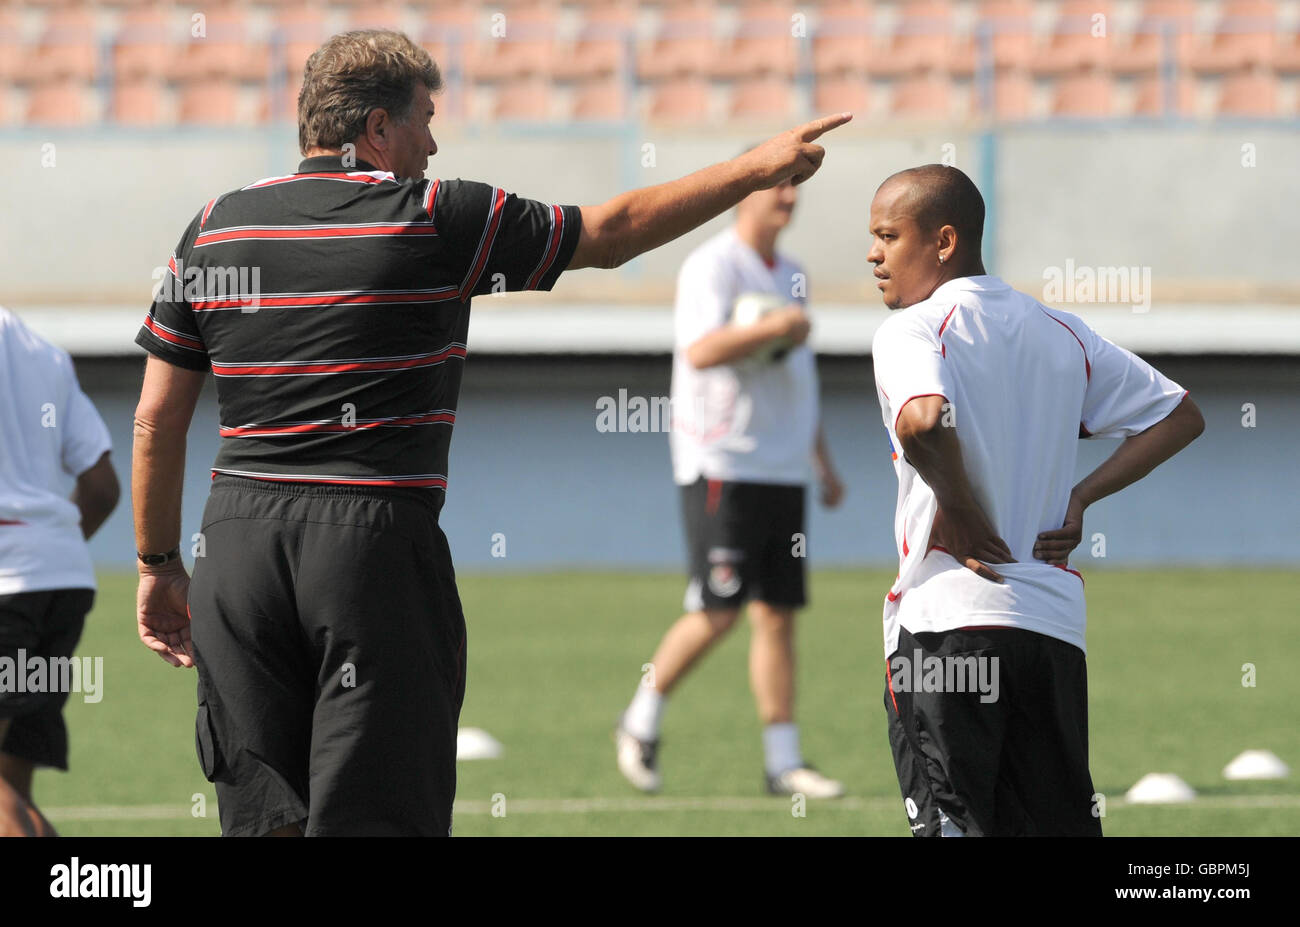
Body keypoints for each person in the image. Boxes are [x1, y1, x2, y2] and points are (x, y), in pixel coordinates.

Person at [131, 28, 850, 836]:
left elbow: (157, 416)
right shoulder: (437, 214)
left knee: (263, 823)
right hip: (369, 548)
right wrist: (754, 166)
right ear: (375, 129)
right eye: (424, 120)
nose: (433, 144)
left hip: (234, 549)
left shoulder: (213, 226)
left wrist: (157, 563)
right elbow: (611, 232)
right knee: (378, 815)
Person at [867, 164, 1204, 836]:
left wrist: (958, 510)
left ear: (943, 240)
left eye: (887, 235)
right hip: (1049, 633)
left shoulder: (913, 330)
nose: (873, 254)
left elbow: (924, 419)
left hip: (948, 626)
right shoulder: (1062, 332)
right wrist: (1081, 497)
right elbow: (1180, 414)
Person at [614, 174, 846, 798]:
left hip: (781, 468)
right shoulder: (712, 266)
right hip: (724, 462)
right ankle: (639, 722)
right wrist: (778, 329)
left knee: (777, 614)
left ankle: (783, 762)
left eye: (797, 191)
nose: (790, 200)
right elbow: (701, 351)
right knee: (718, 608)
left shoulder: (792, 272)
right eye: (779, 188)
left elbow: (798, 382)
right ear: (746, 194)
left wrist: (820, 460)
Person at [0, 306, 120, 836]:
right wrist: (47, 547)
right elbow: (101, 489)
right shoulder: (42, 350)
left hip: (6, 579)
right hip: (58, 581)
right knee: (11, 788)